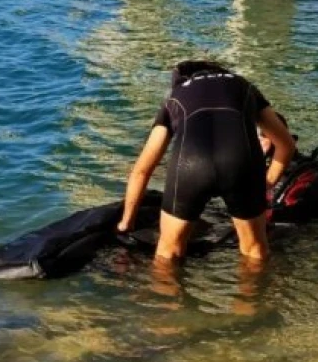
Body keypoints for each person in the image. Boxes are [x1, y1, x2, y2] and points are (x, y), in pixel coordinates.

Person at [117, 61, 295, 262]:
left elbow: (142, 170)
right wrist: (266, 183)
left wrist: (127, 222)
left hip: (191, 163)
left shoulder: (174, 96)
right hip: (239, 163)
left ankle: (163, 292)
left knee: (169, 253)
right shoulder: (244, 86)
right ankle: (255, 293)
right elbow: (286, 145)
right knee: (254, 251)